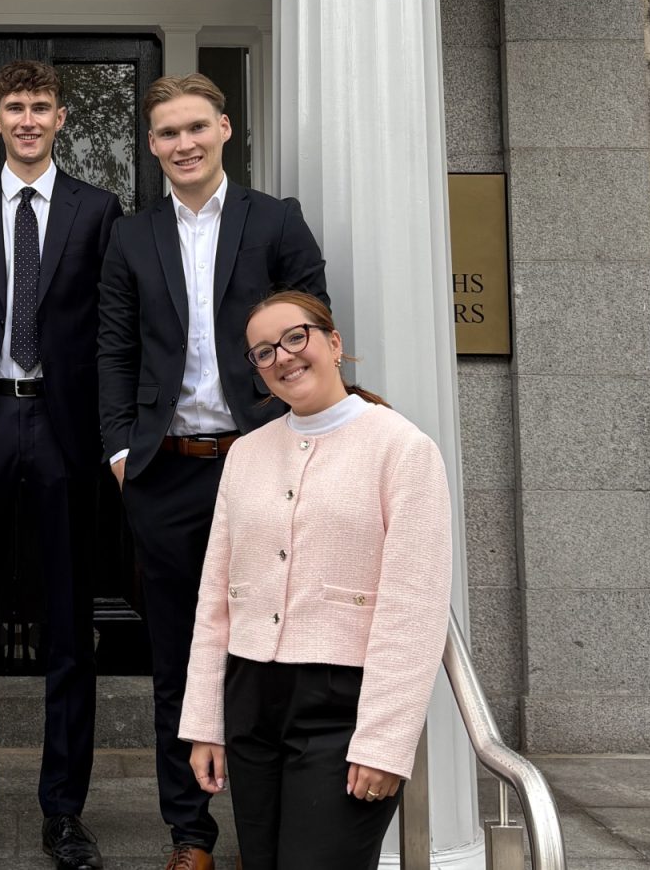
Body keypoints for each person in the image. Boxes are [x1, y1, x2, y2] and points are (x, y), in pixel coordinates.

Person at [96, 73, 328, 869]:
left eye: (197, 127)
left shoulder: (276, 221)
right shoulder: (131, 236)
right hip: (167, 475)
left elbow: (312, 332)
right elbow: (113, 350)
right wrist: (121, 453)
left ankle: (269, 829)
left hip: (262, 466)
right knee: (178, 659)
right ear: (152, 145)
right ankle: (190, 835)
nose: (184, 143)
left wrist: (303, 444)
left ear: (225, 129)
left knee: (269, 656)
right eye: (168, 132)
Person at [0, 60, 123, 870]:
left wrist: (112, 431)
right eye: (15, 106)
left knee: (71, 627)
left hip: (64, 426)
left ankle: (64, 812)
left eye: (42, 106)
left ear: (62, 117)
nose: (29, 118)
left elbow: (111, 328)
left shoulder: (98, 210)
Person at [179, 291, 452, 869]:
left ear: (334, 342)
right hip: (250, 699)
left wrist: (385, 742)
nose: (282, 356)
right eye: (263, 351)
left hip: (342, 707)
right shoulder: (246, 454)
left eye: (295, 337)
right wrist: (205, 723)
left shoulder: (403, 450)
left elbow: (414, 610)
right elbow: (215, 598)